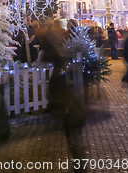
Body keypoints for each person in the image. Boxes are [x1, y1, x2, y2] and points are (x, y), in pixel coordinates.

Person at [43, 28, 86, 172]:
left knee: (73, 140)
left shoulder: (58, 79)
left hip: (72, 116)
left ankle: (79, 163)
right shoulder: (60, 72)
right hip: (73, 115)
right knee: (73, 140)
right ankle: (79, 162)